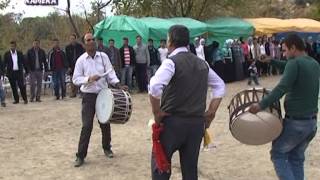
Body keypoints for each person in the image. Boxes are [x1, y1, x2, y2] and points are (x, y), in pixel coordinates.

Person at [149, 25, 225, 180]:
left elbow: (155, 86)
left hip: (172, 124)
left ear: (170, 41)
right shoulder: (202, 64)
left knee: (161, 167)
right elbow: (220, 85)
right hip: (196, 125)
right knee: (190, 170)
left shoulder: (171, 62)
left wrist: (157, 113)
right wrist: (210, 113)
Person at [249, 34, 319, 180]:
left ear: (293, 48)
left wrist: (261, 105)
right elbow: (288, 66)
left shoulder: (295, 64)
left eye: (285, 50)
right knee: (296, 159)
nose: (283, 53)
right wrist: (271, 60)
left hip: (296, 123)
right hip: (311, 124)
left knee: (278, 154)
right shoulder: (313, 63)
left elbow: (282, 88)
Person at [73, 33, 127, 167]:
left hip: (103, 94)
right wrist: (88, 79)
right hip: (88, 96)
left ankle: (107, 148)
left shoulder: (103, 57)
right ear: (84, 43)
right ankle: (80, 155)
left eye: (93, 39)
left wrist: (118, 84)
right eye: (88, 40)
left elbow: (110, 74)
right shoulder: (81, 60)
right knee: (87, 126)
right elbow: (75, 79)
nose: (91, 42)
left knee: (105, 123)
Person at [65, 33, 85, 98]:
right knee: (72, 80)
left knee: (81, 79)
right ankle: (73, 93)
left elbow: (83, 56)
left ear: (75, 39)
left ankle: (81, 93)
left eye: (73, 39)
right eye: (71, 39)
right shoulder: (67, 47)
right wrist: (68, 66)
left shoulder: (80, 46)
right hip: (71, 66)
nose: (72, 40)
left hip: (79, 65)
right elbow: (66, 58)